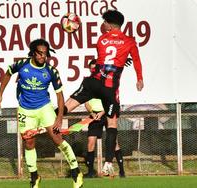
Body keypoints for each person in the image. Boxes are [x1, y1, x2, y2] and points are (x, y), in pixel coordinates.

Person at [54, 9, 144, 177]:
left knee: (69, 103)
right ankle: (108, 163)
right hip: (109, 88)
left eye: (104, 22)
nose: (102, 25)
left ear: (109, 24)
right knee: (112, 125)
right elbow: (135, 60)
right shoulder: (130, 41)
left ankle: (51, 120)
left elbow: (106, 57)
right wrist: (139, 79)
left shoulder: (101, 40)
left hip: (94, 82)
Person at [0, 38, 83, 188]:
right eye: (40, 54)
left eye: (45, 54)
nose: (43, 56)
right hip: (25, 110)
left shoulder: (51, 71)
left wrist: (60, 118)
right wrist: (0, 95)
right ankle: (34, 177)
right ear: (33, 53)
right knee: (29, 142)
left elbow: (60, 96)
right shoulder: (22, 64)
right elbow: (8, 73)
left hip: (45, 108)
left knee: (57, 139)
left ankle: (76, 172)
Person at [83, 60, 125, 178]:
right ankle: (91, 172)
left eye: (94, 68)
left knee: (114, 142)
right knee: (90, 142)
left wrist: (102, 113)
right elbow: (85, 101)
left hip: (106, 114)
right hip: (94, 116)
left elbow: (111, 101)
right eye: (91, 68)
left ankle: (122, 171)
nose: (93, 70)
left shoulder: (106, 81)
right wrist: (92, 113)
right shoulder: (88, 82)